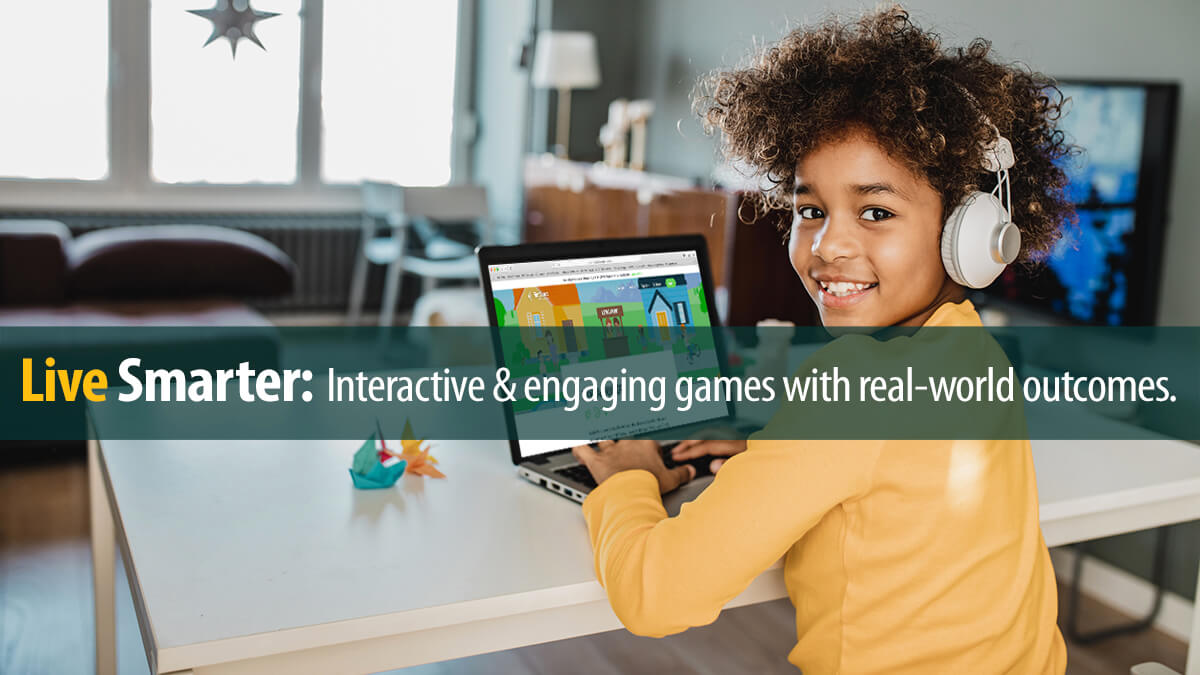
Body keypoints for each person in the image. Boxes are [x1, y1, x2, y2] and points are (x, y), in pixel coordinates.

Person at [569, 6, 1074, 673]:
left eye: (876, 211)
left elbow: (656, 595)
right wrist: (773, 446)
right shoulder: (973, 348)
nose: (829, 244)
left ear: (967, 233)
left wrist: (631, 480)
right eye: (811, 210)